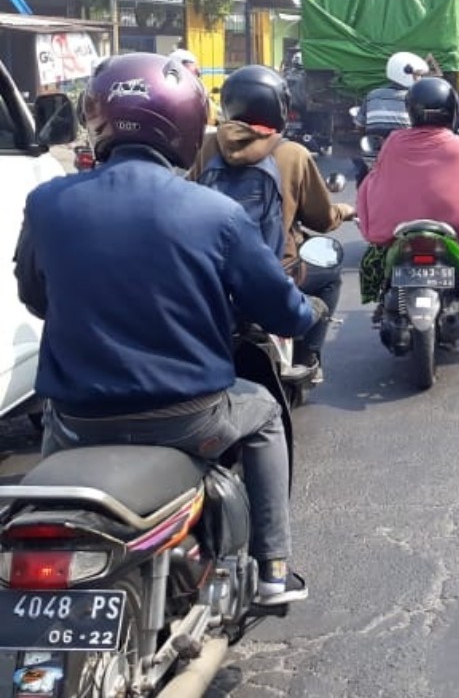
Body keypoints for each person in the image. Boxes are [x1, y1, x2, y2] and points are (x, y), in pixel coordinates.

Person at [12, 52, 325, 607]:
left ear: (98, 118)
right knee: (265, 415)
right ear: (183, 122)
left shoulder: (47, 201)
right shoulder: (216, 212)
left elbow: (36, 298)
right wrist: (309, 315)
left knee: (53, 430)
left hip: (77, 419)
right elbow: (280, 310)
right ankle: (273, 566)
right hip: (188, 418)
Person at [189, 64, 355, 382]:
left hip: (212, 276)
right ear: (279, 108)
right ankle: (309, 356)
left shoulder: (205, 147)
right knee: (330, 277)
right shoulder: (293, 154)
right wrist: (343, 211)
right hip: (278, 273)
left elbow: (185, 199)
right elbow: (320, 219)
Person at [356, 76, 459, 321]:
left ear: (411, 110)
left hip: (401, 228)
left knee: (375, 254)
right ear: (452, 111)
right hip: (452, 228)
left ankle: (381, 298)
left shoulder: (394, 142)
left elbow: (377, 178)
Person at [353, 52, 428, 184]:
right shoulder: (415, 99)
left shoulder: (373, 95)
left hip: (378, 156)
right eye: (417, 75)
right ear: (405, 74)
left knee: (362, 177)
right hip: (408, 155)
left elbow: (359, 125)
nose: (419, 79)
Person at [169, 48, 219, 125]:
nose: (197, 70)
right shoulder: (172, 90)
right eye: (191, 64)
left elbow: (213, 113)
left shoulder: (199, 87)